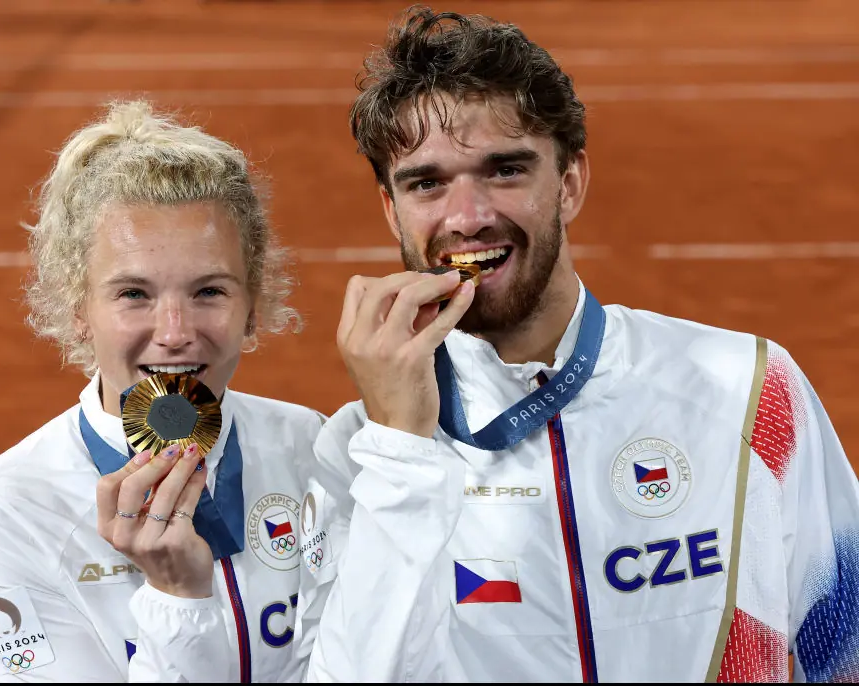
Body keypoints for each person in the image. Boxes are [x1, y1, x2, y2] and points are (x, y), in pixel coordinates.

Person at [300, 6, 859, 683]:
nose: (469, 216)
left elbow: (844, 644)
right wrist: (401, 455)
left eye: (506, 170)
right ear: (392, 208)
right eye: (427, 183)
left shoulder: (748, 388)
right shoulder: (356, 459)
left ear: (568, 185)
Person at [0, 100, 324, 682]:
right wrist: (176, 597)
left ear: (253, 305)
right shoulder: (5, 518)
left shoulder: (310, 446)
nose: (175, 334)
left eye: (210, 291)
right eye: (133, 294)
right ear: (78, 311)